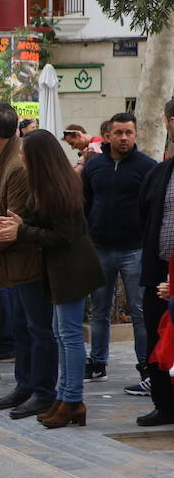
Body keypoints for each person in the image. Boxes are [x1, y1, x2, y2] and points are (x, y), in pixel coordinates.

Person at [0, 129, 105, 428]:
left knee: (68, 337)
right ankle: (66, 397)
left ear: (37, 157)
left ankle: (71, 399)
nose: (20, 158)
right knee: (61, 334)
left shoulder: (56, 187)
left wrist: (21, 230)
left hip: (72, 269)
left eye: (24, 154)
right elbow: (39, 225)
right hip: (60, 270)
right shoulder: (46, 185)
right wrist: (20, 224)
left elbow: (62, 236)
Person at [0, 102, 59, 419]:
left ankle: (43, 390)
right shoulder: (4, 160)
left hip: (27, 260)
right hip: (12, 260)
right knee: (23, 328)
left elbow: (15, 218)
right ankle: (26, 385)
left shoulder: (17, 164)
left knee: (37, 328)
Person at [82, 112, 157, 388]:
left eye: (128, 132)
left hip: (134, 250)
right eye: (118, 133)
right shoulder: (94, 167)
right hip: (100, 248)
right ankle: (97, 363)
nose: (123, 137)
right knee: (99, 310)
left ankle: (147, 368)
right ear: (108, 135)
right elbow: (86, 202)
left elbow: (152, 209)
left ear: (135, 135)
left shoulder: (147, 167)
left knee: (139, 311)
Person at [133, 98, 174, 425]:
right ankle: (164, 404)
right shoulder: (159, 173)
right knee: (156, 338)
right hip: (157, 270)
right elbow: (145, 218)